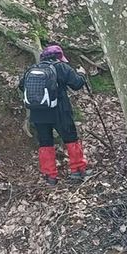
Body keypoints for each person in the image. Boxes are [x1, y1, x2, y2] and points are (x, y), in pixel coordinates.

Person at [18, 44, 90, 186]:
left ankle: (50, 176)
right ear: (58, 57)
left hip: (38, 113)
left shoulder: (32, 69)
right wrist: (82, 73)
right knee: (71, 138)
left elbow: (21, 85)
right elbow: (76, 84)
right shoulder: (61, 67)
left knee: (45, 142)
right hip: (60, 111)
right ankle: (78, 170)